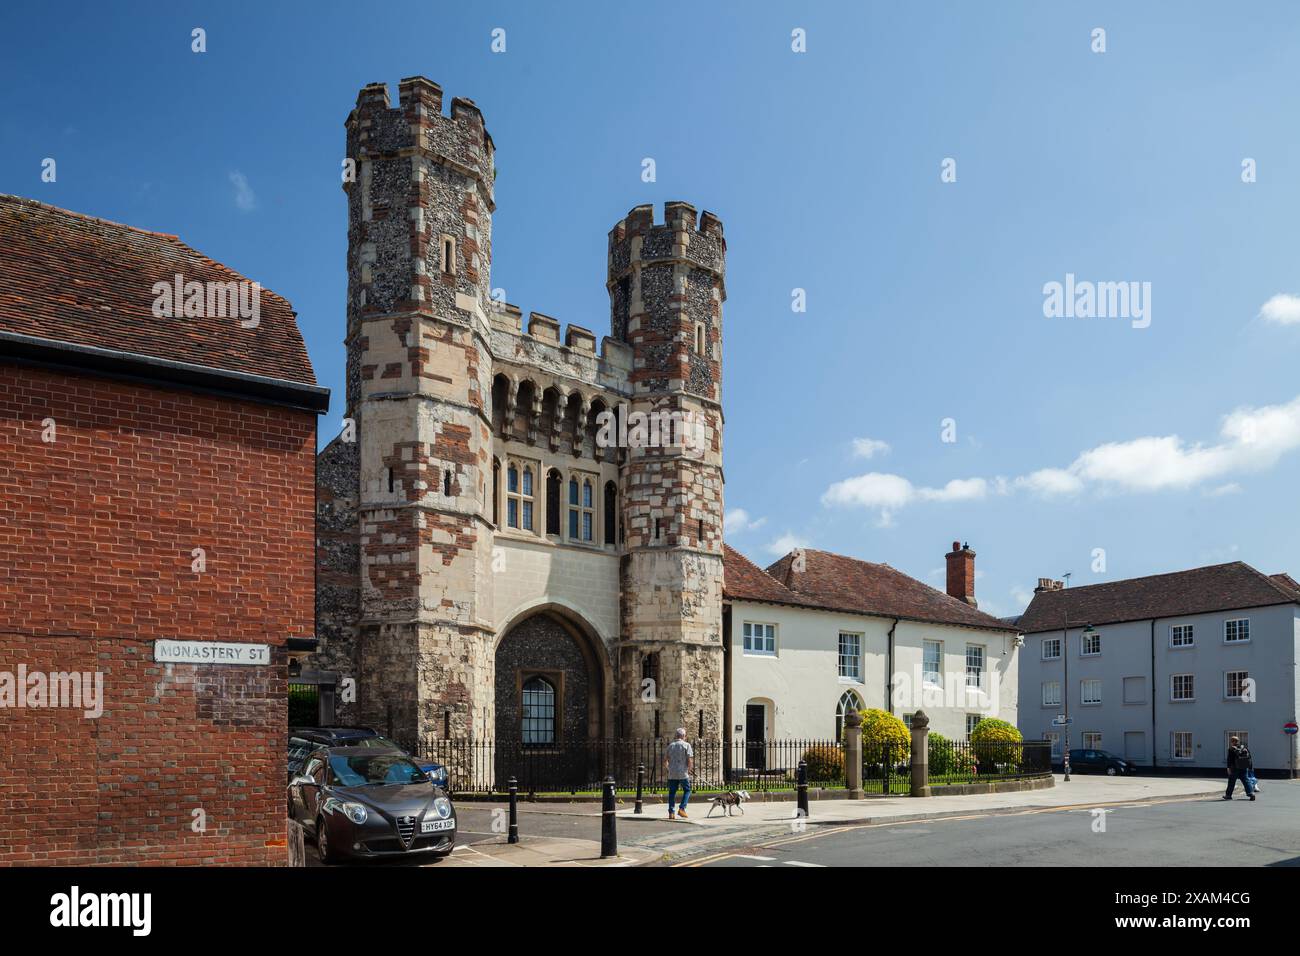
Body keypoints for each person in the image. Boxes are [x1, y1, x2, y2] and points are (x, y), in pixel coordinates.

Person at [664, 728, 694, 819]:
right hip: (682, 773)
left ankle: (671, 812)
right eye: (685, 736)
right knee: (687, 790)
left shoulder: (670, 746)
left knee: (672, 792)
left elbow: (665, 760)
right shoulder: (686, 745)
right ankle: (682, 808)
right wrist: (689, 769)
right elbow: (689, 760)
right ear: (683, 736)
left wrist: (669, 769)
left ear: (676, 736)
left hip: (672, 773)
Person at [1224, 736, 1256, 801]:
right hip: (1244, 767)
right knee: (1246, 781)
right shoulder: (1244, 748)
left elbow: (1229, 759)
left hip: (1234, 768)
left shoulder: (1231, 749)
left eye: (1231, 741)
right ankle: (1251, 794)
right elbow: (1249, 757)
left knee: (1231, 782)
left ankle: (1228, 795)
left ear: (1232, 742)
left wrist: (1228, 768)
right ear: (1238, 741)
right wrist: (1250, 767)